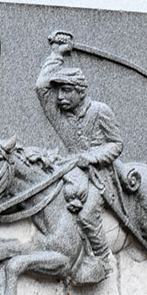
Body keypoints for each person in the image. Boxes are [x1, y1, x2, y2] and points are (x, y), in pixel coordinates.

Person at [35, 30, 124, 281]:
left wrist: (91, 157)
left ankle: (103, 261)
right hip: (72, 174)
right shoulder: (60, 116)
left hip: (100, 175)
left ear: (80, 91)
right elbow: (41, 86)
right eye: (59, 92)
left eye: (66, 91)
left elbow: (116, 144)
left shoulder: (100, 111)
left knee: (86, 215)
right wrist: (56, 55)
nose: (60, 97)